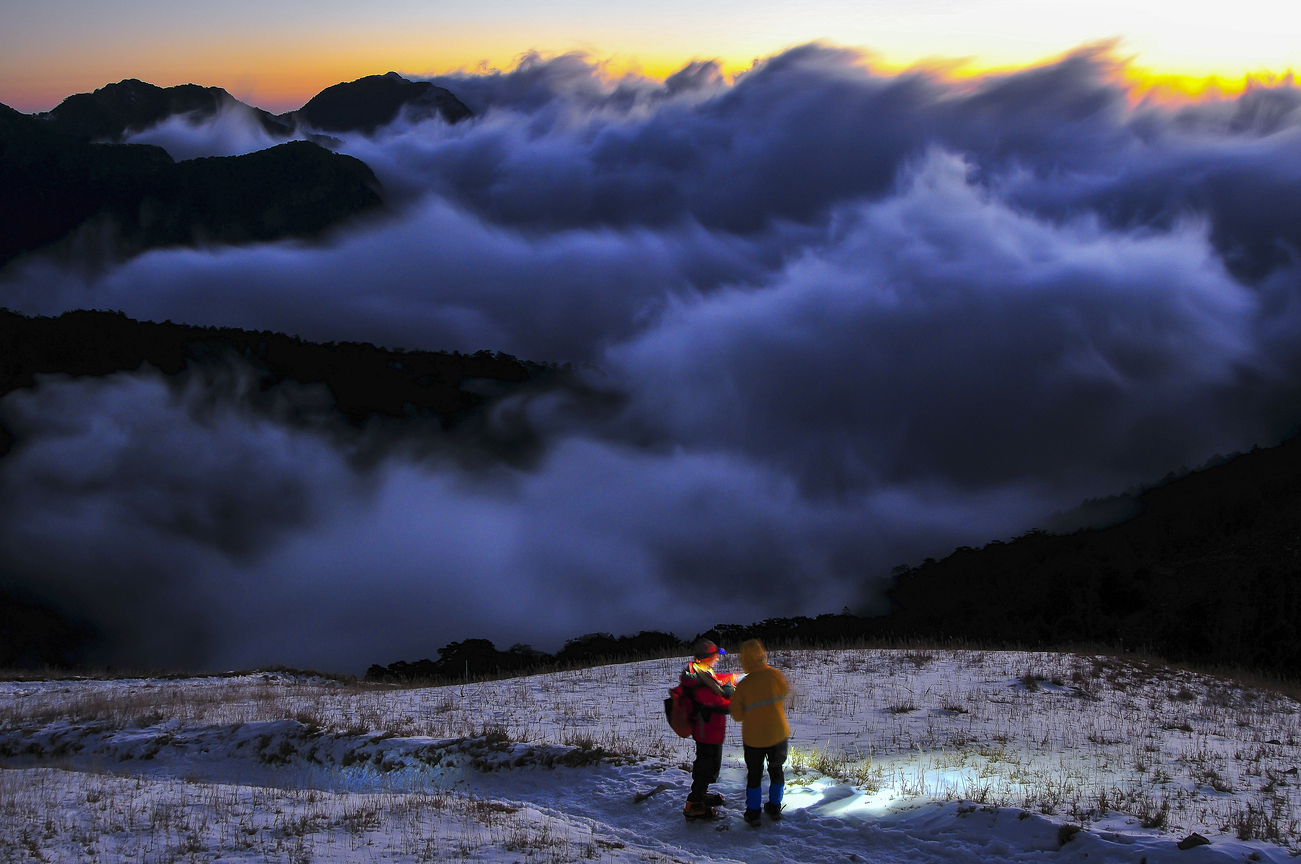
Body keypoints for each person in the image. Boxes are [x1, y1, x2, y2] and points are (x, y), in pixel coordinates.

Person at [729, 638, 790, 826]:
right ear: (762, 654)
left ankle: (753, 813)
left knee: (754, 774)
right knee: (776, 770)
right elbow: (785, 692)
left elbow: (737, 716)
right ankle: (774, 807)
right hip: (778, 734)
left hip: (754, 739)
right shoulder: (775, 674)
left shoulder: (743, 685)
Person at [680, 638, 735, 820]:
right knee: (706, 766)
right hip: (707, 730)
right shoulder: (697, 681)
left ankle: (701, 794)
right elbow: (720, 704)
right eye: (714, 656)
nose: (718, 659)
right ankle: (694, 803)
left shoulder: (700, 671)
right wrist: (733, 694)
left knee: (707, 763)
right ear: (705, 658)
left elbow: (715, 680)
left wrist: (734, 678)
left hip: (709, 729)